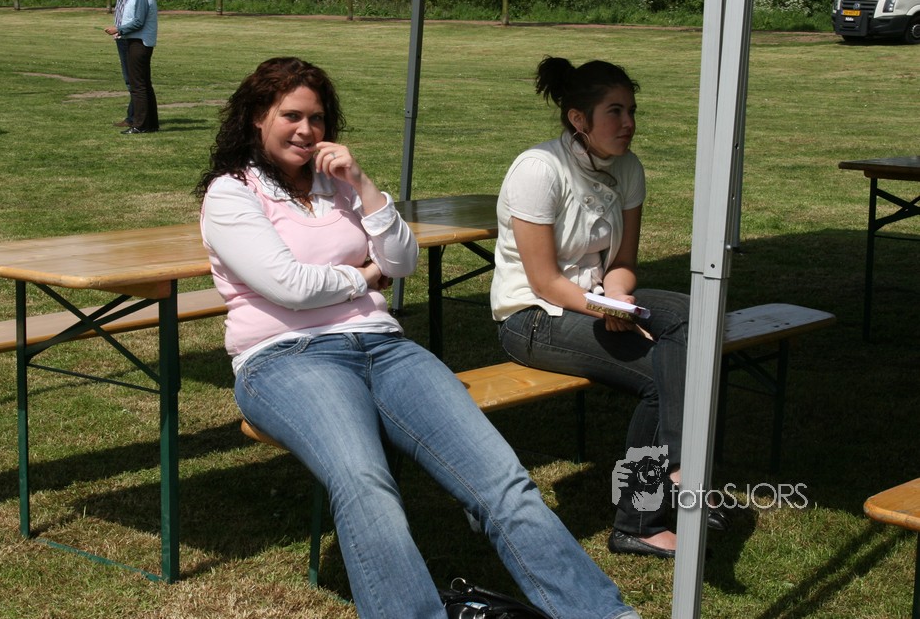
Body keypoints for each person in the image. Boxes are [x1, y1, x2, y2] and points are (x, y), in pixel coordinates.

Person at [196, 56, 640, 619]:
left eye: (318, 117)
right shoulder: (231, 194)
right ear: (258, 116)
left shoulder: (338, 185)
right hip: (286, 358)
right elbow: (288, 286)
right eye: (292, 116)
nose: (307, 130)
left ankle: (603, 614)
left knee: (502, 479)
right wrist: (363, 277)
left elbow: (402, 258)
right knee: (364, 482)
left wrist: (362, 184)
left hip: (384, 346)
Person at [490, 56, 728, 560]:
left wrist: (617, 297)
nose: (628, 123)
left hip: (596, 299)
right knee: (661, 375)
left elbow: (622, 262)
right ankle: (642, 517)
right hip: (533, 316)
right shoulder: (538, 169)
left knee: (694, 314)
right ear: (578, 118)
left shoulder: (628, 168)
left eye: (632, 111)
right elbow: (544, 280)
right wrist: (604, 309)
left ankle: (675, 468)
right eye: (615, 112)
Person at [105, 0, 158, 134]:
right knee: (144, 84)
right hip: (138, 42)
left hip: (138, 43)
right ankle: (151, 123)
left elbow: (138, 22)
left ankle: (140, 125)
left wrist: (118, 29)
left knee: (138, 86)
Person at [108, 0, 137, 128]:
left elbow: (134, 15)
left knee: (132, 80)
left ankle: (134, 117)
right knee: (131, 79)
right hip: (121, 35)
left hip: (127, 36)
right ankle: (135, 116)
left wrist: (120, 29)